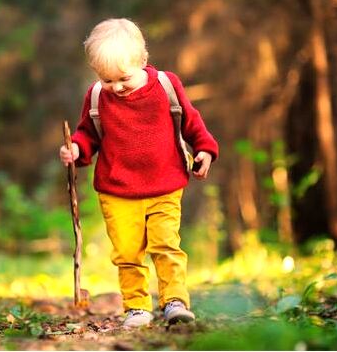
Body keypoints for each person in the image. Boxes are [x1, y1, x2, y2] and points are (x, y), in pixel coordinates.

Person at [59, 18, 219, 327]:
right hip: (117, 190)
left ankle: (174, 301)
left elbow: (191, 121)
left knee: (166, 245)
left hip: (165, 185)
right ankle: (137, 307)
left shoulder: (166, 86)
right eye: (107, 81)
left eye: (123, 79)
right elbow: (87, 135)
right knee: (127, 253)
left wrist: (205, 149)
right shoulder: (95, 97)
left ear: (142, 61)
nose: (116, 88)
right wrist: (76, 150)